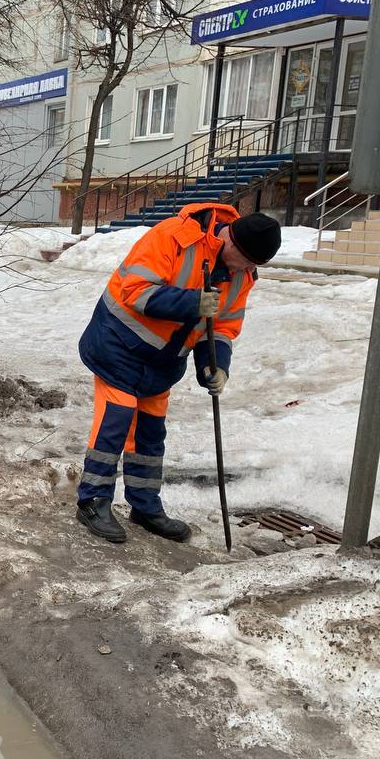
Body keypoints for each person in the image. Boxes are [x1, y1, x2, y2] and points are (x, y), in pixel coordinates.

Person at [75, 205, 281, 544]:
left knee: (151, 433)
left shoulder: (243, 275)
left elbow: (223, 327)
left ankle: (144, 505)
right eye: (242, 258)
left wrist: (215, 366)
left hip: (162, 364)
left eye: (252, 265)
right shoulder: (174, 236)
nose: (244, 268)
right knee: (116, 419)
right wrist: (192, 303)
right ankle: (93, 501)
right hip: (117, 345)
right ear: (229, 236)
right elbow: (135, 290)